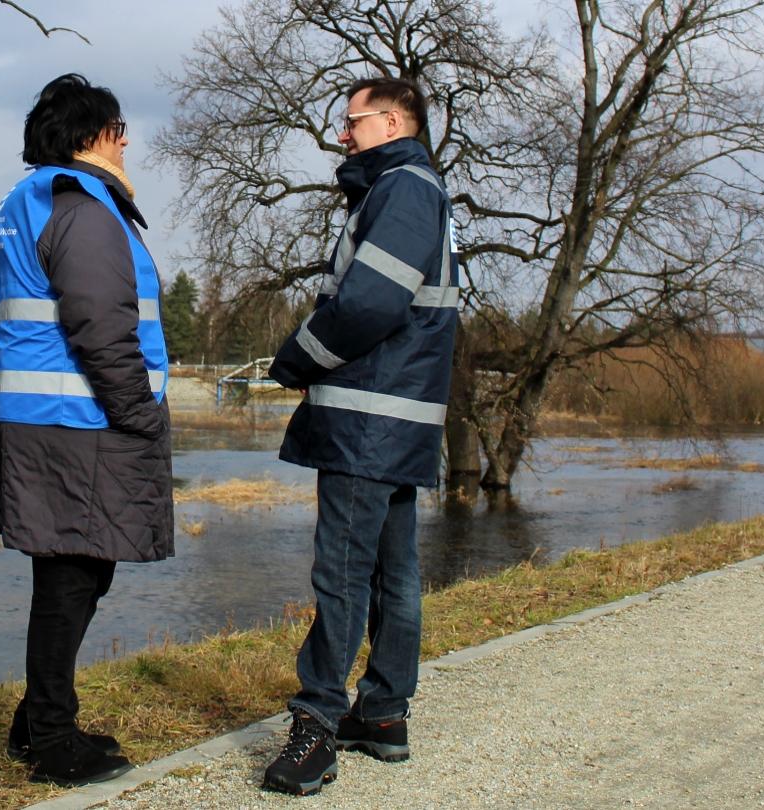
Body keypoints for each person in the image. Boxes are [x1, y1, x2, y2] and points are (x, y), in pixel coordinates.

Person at [260, 76, 462, 796]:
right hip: (395, 420)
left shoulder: (404, 188)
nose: (342, 134)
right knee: (393, 572)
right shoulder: (412, 189)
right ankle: (382, 714)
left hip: (367, 421)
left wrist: (295, 358)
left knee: (341, 573)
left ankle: (316, 728)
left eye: (352, 122)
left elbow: (370, 302)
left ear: (394, 122)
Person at [0, 73, 174, 788]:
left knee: (73, 573)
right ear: (96, 136)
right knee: (72, 577)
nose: (127, 145)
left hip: (40, 417)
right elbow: (102, 324)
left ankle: (39, 721)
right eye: (121, 131)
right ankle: (52, 742)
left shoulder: (25, 201)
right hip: (78, 419)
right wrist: (141, 416)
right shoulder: (82, 206)